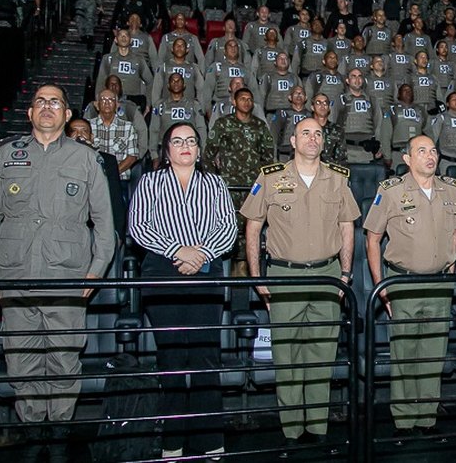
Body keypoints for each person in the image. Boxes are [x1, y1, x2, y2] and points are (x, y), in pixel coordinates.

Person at [0, 84, 115, 462]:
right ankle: (34, 431)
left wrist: (94, 274)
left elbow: (104, 224)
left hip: (67, 279)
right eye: (40, 102)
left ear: (68, 115)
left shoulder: (86, 160)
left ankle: (60, 433)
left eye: (55, 103)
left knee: (65, 359)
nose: (47, 107)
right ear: (30, 113)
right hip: (16, 277)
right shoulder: (6, 156)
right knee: (22, 359)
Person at [240, 119, 358, 450]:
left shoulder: (337, 179)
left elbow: (348, 227)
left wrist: (345, 275)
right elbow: (253, 226)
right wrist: (257, 276)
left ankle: (317, 427)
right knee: (287, 356)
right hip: (284, 275)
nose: (312, 138)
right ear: (292, 140)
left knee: (322, 354)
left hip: (327, 275)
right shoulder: (271, 176)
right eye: (305, 132)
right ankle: (292, 430)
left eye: (318, 133)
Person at [127, 122, 236, 461]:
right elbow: (138, 227)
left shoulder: (215, 184)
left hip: (206, 274)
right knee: (172, 358)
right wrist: (178, 250)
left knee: (206, 358)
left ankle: (209, 440)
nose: (185, 146)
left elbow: (229, 228)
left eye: (191, 140)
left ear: (199, 149)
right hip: (163, 274)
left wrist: (200, 254)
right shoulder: (149, 182)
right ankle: (172, 442)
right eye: (178, 141)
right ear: (167, 149)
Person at [364, 135, 456, 443]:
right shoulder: (391, 191)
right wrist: (381, 287)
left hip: (439, 283)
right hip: (402, 282)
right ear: (407, 159)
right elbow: (372, 239)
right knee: (405, 354)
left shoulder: (451, 190)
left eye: (433, 150)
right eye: (422, 151)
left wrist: (450, 273)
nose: (430, 155)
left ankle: (427, 417)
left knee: (433, 354)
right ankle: (404, 420)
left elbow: (455, 236)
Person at [203, 87, 277, 276]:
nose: (246, 102)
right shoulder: (223, 124)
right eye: (242, 98)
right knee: (229, 227)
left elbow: (269, 158)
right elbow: (208, 155)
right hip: (228, 187)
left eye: (250, 99)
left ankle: (245, 270)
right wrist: (213, 182)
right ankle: (227, 268)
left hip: (253, 188)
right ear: (234, 102)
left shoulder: (260, 126)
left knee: (250, 228)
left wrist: (264, 184)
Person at [67, 118, 125, 239]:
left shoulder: (106, 161)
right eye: (74, 131)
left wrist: (118, 235)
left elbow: (115, 200)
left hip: (98, 228)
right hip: (67, 228)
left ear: (91, 137)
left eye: (84, 131)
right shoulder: (59, 162)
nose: (79, 135)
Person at [88, 88, 140, 202]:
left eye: (111, 100)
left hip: (119, 180)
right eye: (103, 99)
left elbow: (132, 157)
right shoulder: (88, 127)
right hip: (92, 181)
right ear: (97, 105)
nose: (107, 103)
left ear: (117, 105)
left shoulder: (128, 127)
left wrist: (111, 174)